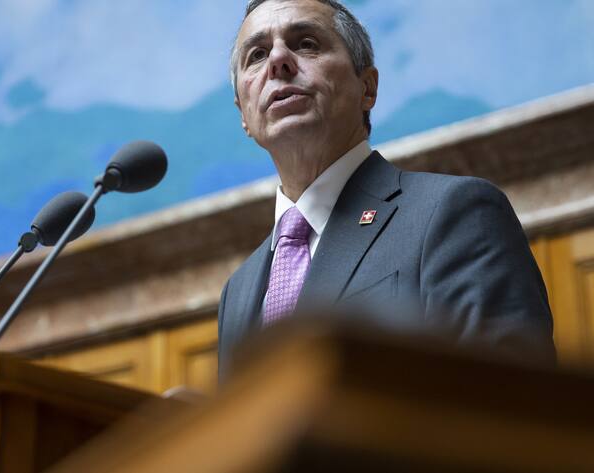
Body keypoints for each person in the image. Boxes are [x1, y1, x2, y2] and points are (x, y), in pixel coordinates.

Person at [217, 0, 555, 379]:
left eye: (307, 43)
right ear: (244, 114)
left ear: (368, 88)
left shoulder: (453, 213)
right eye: (257, 54)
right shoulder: (238, 291)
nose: (279, 60)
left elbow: (509, 399)